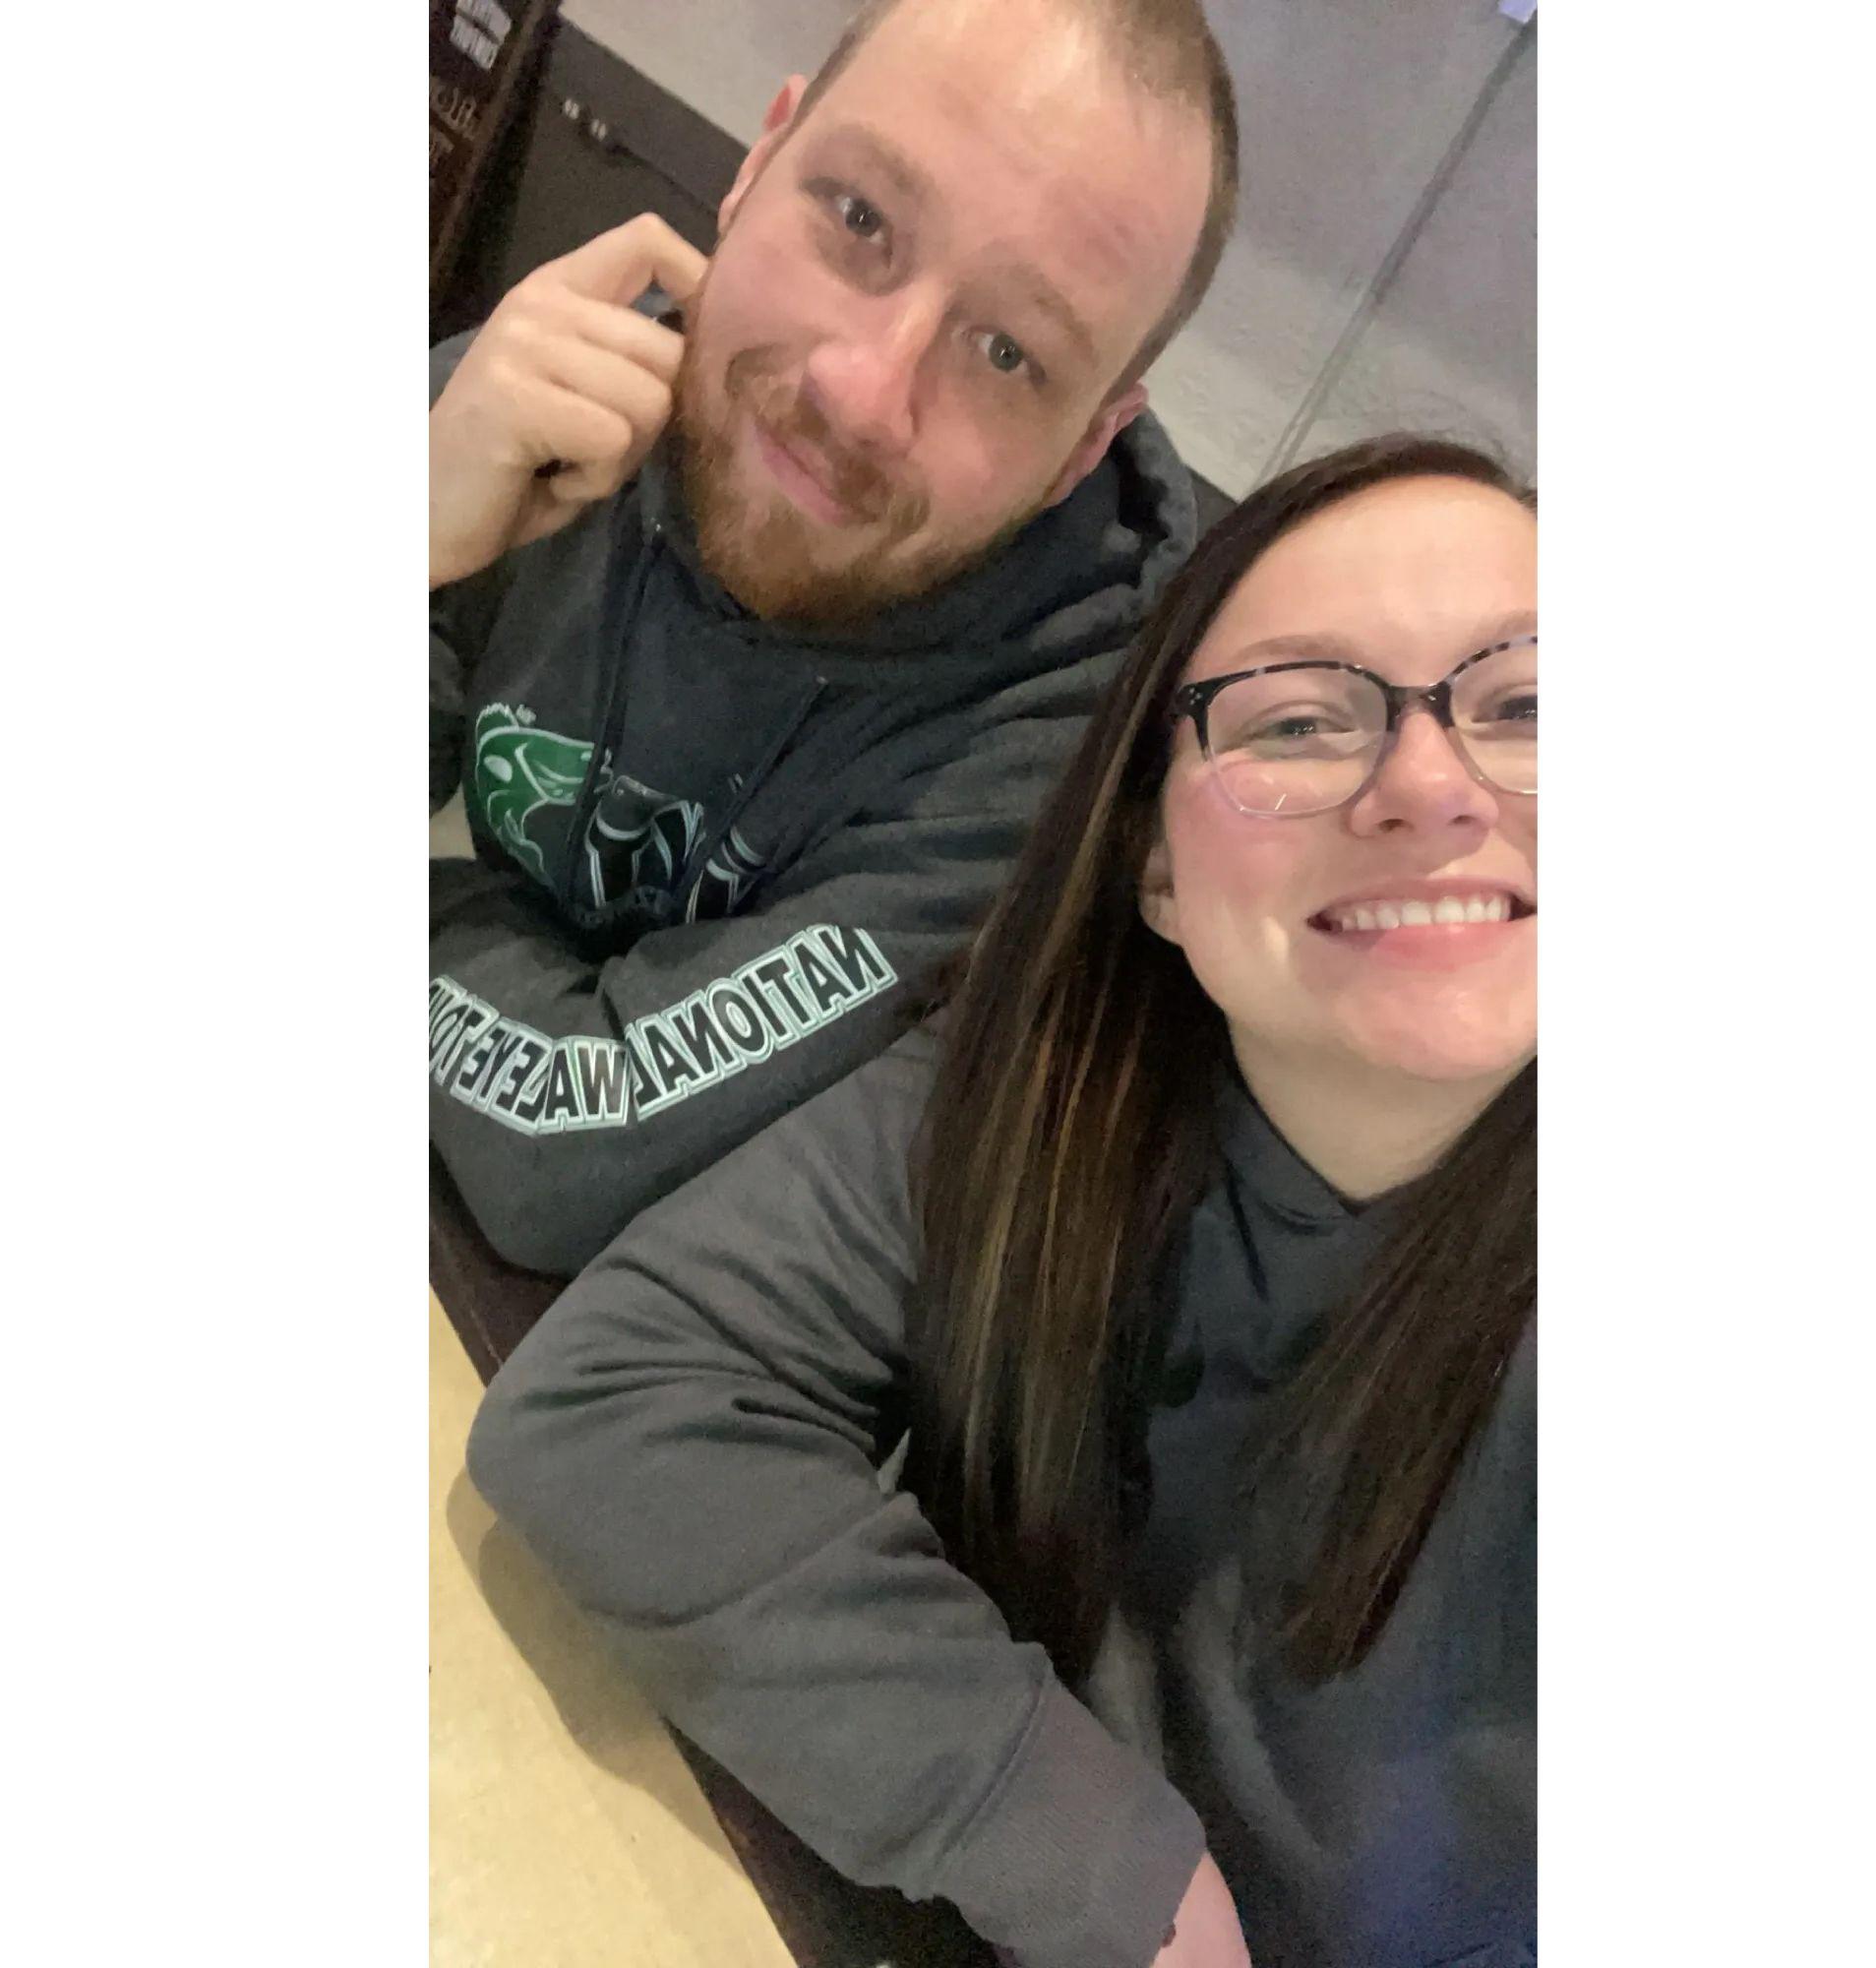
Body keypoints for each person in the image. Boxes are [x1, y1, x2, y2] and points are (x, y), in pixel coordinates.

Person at [467, 434, 1539, 1968]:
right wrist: (1114, 1875)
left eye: (1529, 707)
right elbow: (621, 1398)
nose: (1429, 786)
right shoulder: (1040, 1083)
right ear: (1154, 866)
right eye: (1299, 720)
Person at [428, 0, 1239, 1274]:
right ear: (759, 163)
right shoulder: (562, 386)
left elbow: (564, 1152)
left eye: (1008, 352)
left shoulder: (1061, 747)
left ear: (1088, 442)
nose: (863, 394)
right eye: (859, 218)